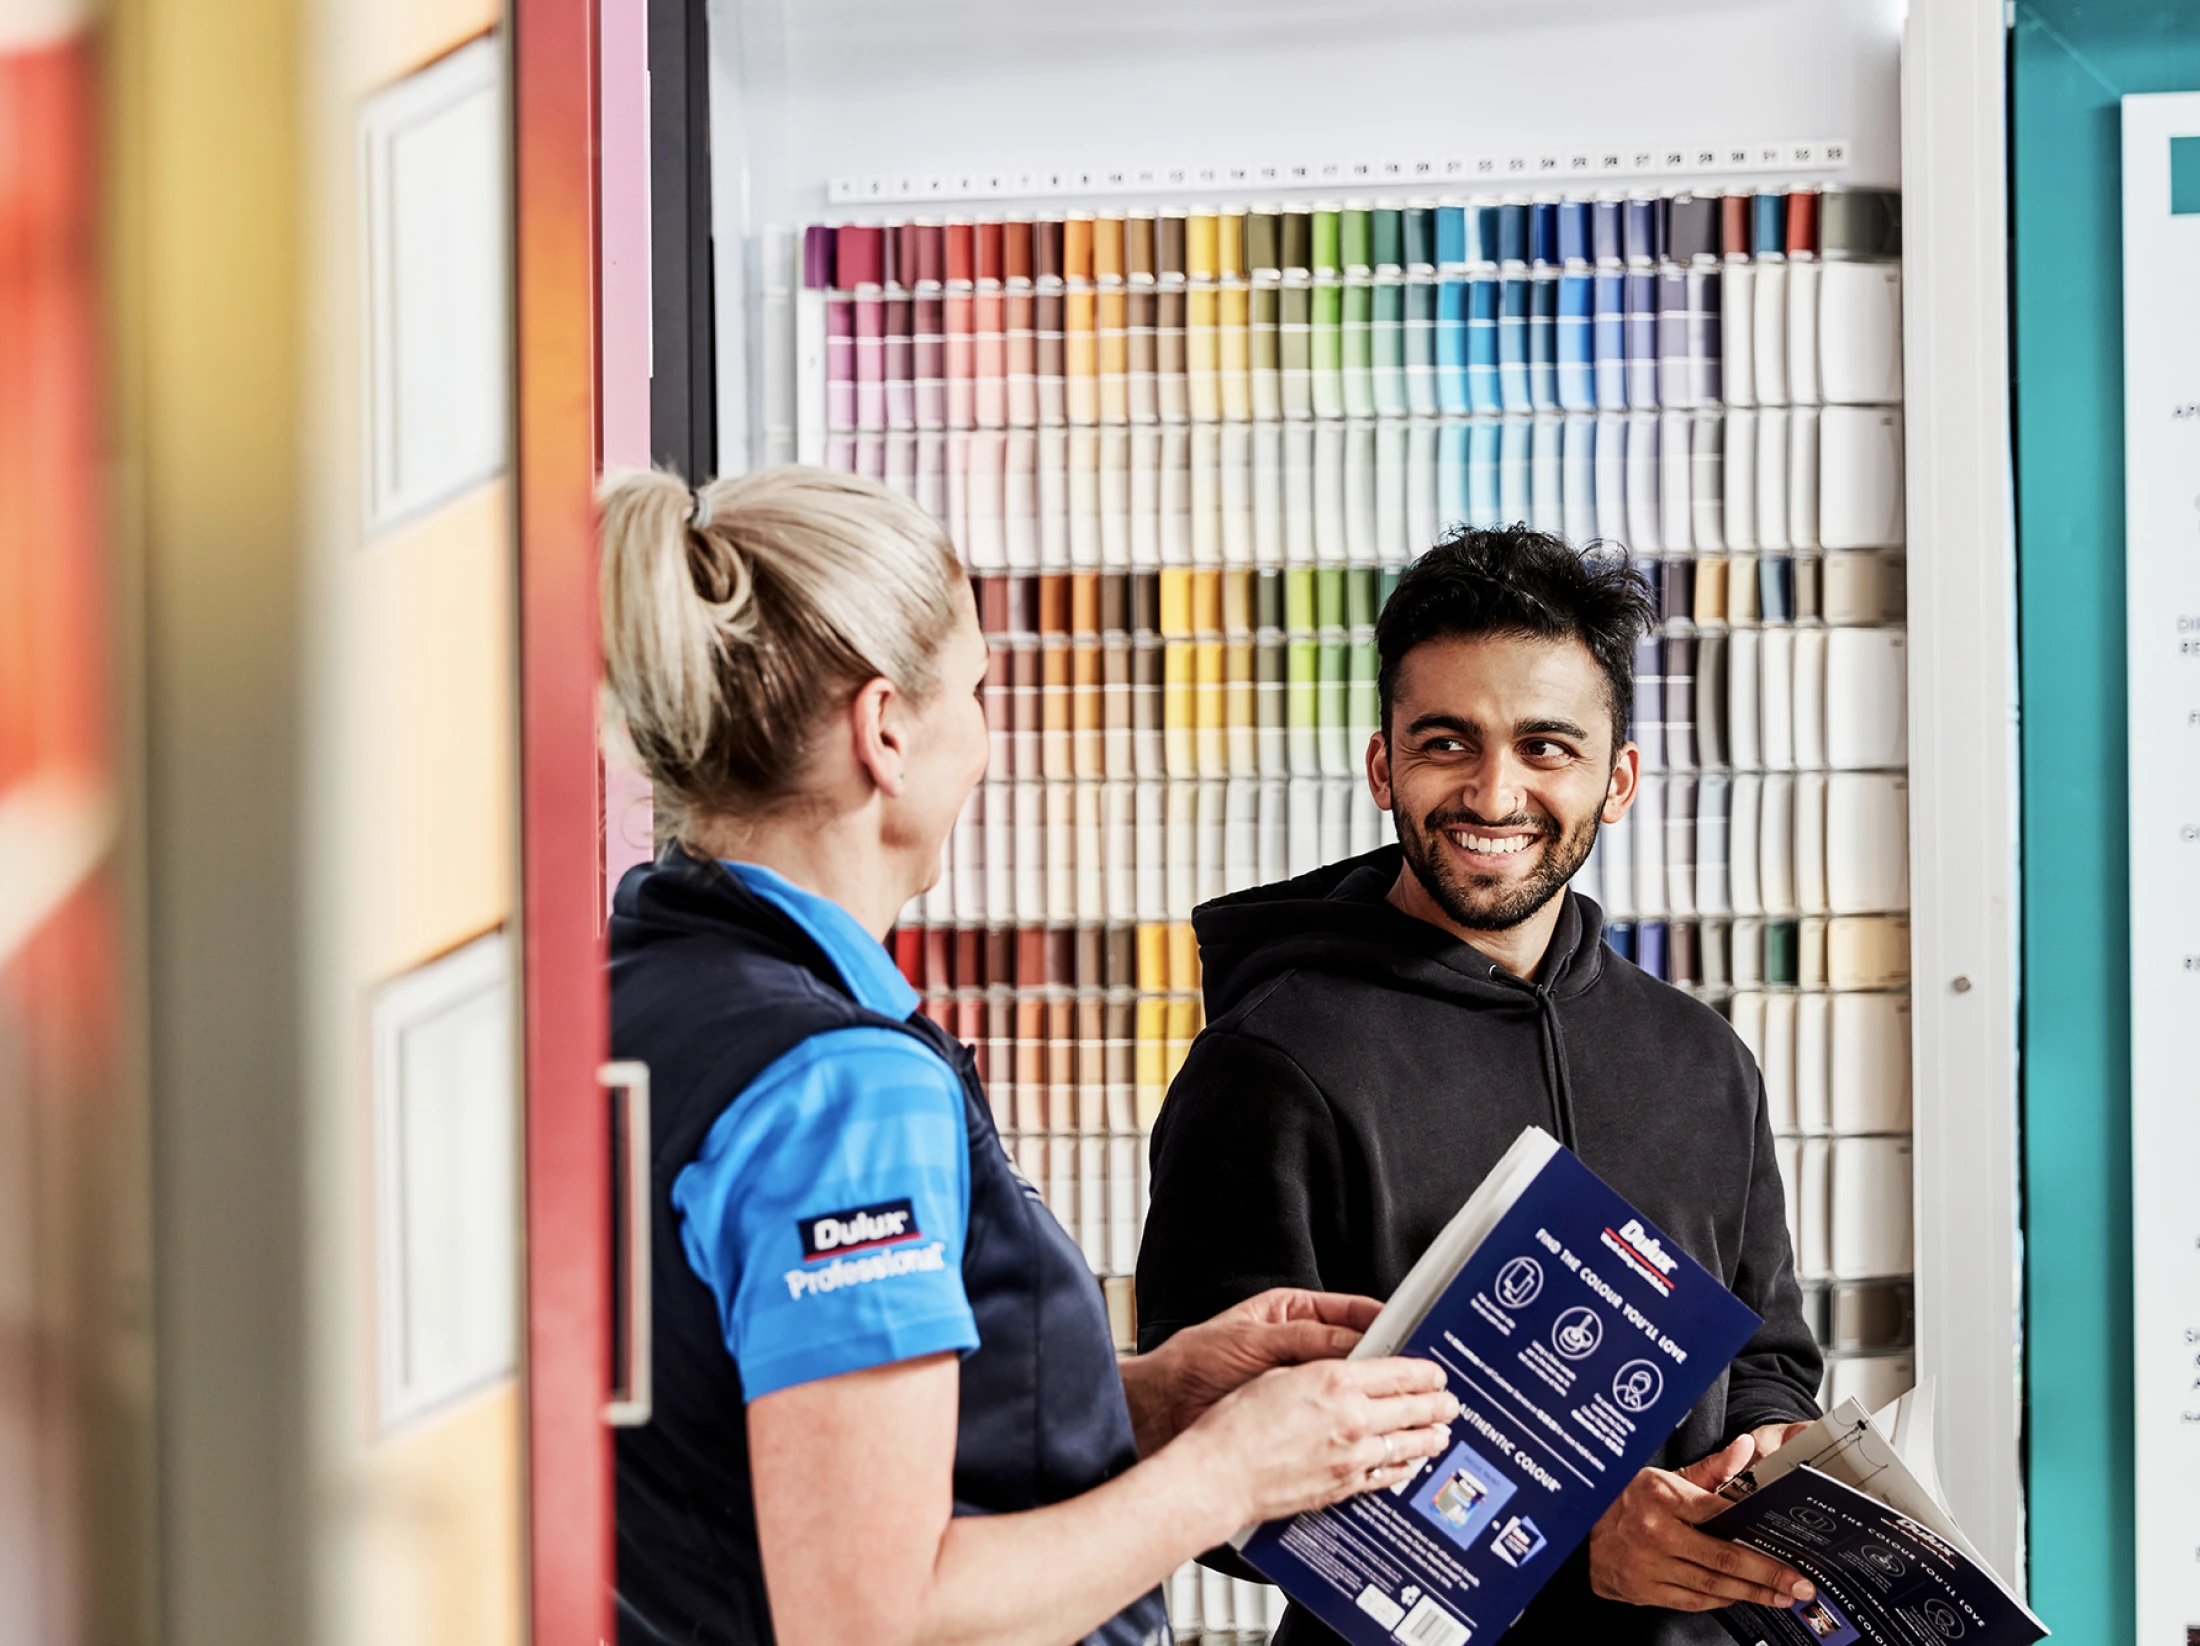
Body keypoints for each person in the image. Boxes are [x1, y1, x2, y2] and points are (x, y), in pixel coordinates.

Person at [596, 465, 1461, 1646]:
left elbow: (754, 1421)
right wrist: (1231, 1471)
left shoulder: (635, 995)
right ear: (885, 729)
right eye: (977, 690)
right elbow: (874, 1616)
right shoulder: (841, 1087)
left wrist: (1133, 1396)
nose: (987, 741)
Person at [1134, 526, 1825, 1645]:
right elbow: (1211, 1483)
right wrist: (1572, 1541)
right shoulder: (1273, 1062)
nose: (1494, 792)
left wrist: (1772, 1453)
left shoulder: (1701, 1059)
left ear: (1619, 779)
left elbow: (1765, 1361)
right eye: (1448, 741)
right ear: (1382, 765)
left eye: (1546, 746)